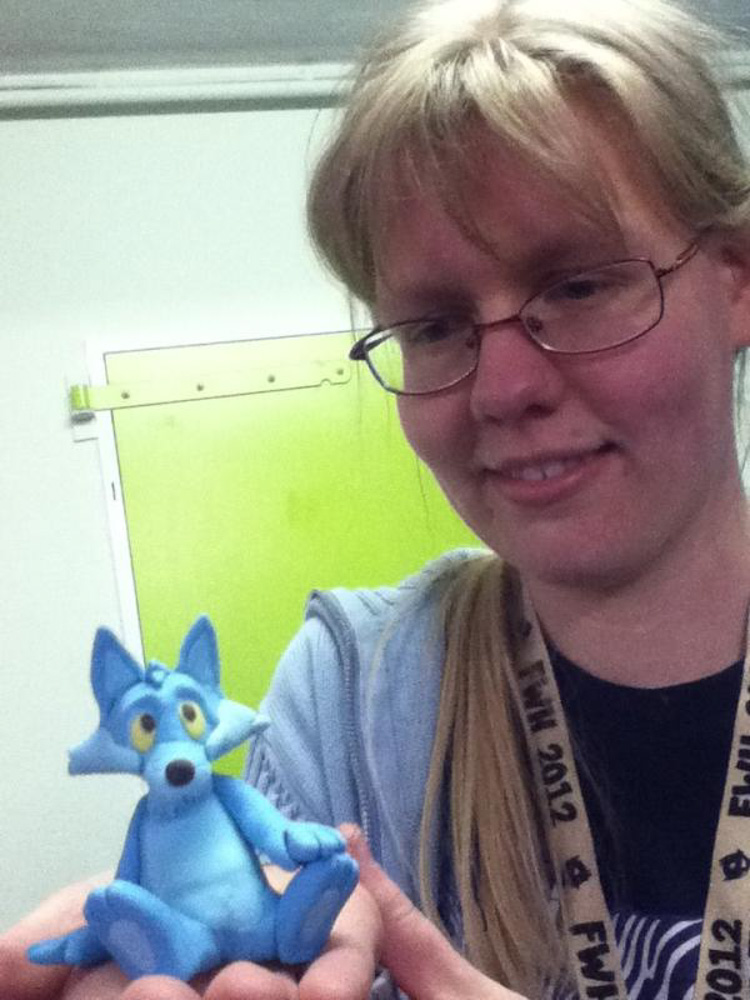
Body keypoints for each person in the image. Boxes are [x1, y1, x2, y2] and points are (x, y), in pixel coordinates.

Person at [3, 0, 750, 997]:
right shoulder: (351, 697)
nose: (502, 389)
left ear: (737, 279)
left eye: (577, 286)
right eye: (434, 326)